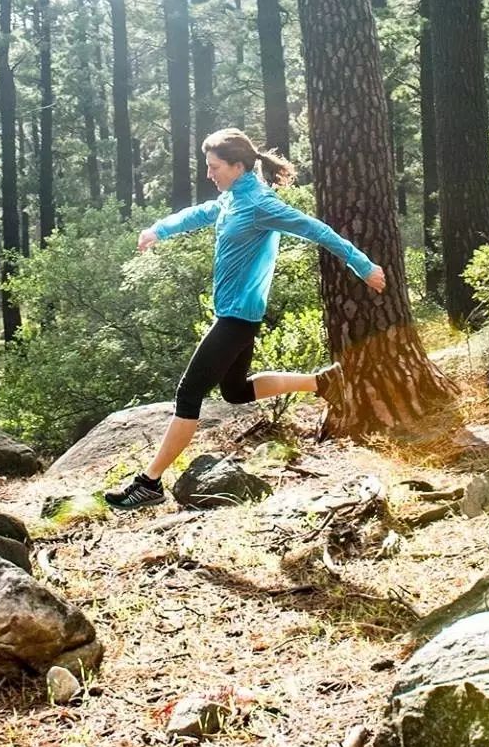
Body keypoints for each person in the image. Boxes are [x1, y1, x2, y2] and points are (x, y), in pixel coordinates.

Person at [104, 128, 386, 510]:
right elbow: (200, 213)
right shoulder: (232, 198)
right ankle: (323, 382)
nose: (209, 174)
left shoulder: (260, 205)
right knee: (234, 391)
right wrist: (159, 229)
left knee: (188, 394)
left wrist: (362, 265)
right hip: (234, 314)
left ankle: (149, 483)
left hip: (237, 318)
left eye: (214, 166)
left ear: (238, 166)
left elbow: (316, 230)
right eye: (208, 166)